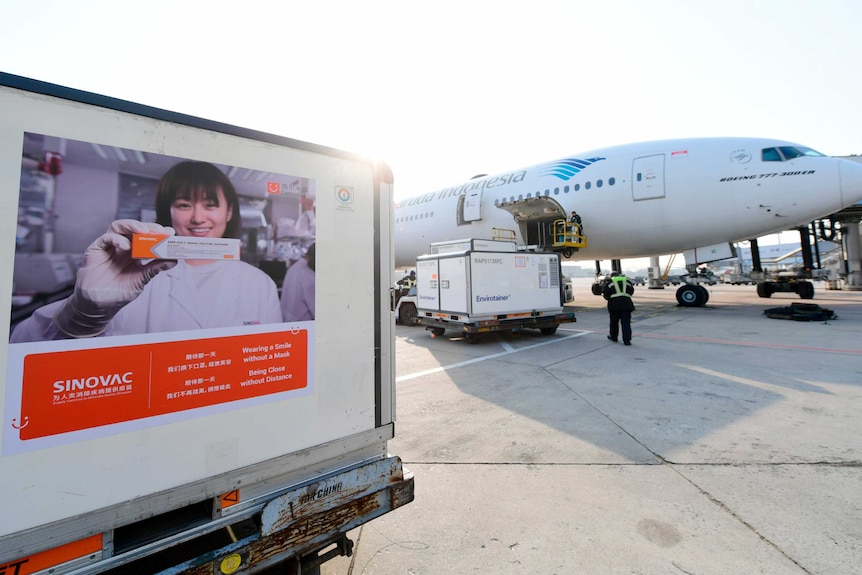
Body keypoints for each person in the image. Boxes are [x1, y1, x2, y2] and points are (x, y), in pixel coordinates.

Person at [11, 161, 282, 342]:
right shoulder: (129, 275)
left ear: (229, 212)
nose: (198, 218)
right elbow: (22, 346)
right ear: (168, 213)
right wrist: (80, 316)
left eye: (210, 205)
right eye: (184, 205)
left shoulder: (260, 284)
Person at [281, 243, 315, 322]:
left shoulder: (295, 268)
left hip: (288, 321)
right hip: (301, 324)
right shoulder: (307, 274)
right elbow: (317, 309)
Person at [602, 270, 635, 345]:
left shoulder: (610, 283)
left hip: (614, 305)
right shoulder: (627, 281)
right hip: (626, 304)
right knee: (626, 323)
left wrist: (610, 298)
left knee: (614, 322)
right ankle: (627, 340)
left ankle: (614, 337)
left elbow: (605, 294)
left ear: (612, 276)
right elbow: (631, 292)